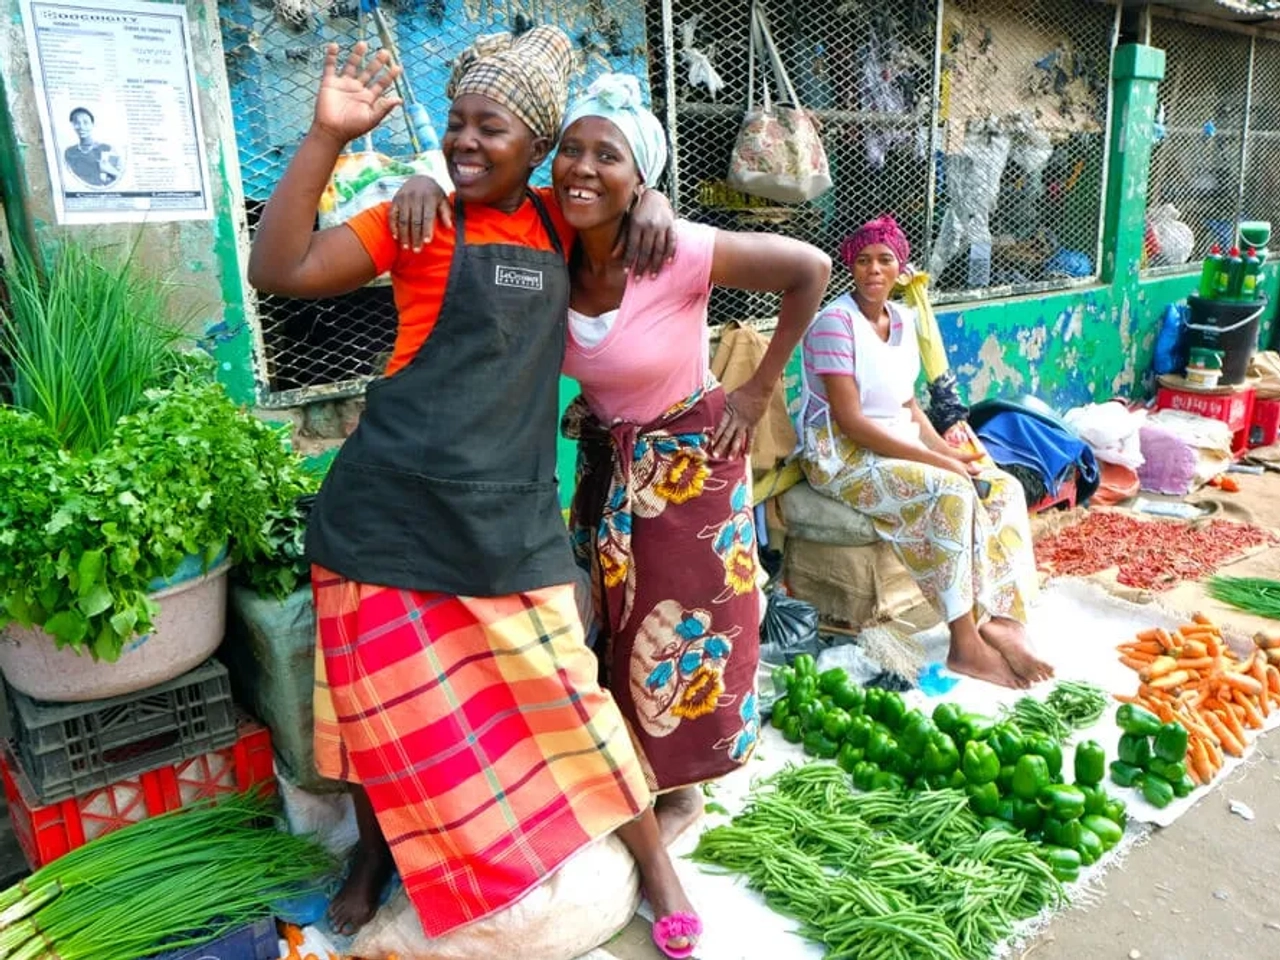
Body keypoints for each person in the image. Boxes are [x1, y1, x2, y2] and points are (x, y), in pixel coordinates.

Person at [246, 35, 701, 959]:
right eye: (455, 124)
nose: (465, 141)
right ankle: (373, 856)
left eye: (491, 128)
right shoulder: (413, 220)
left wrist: (650, 194)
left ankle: (657, 870)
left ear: (536, 148)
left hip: (506, 516)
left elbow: (617, 189)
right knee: (381, 716)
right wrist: (328, 139)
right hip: (385, 514)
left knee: (570, 695)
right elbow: (279, 269)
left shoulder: (559, 220)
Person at [392, 73, 831, 847]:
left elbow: (810, 270)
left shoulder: (677, 250)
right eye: (572, 149)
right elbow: (476, 183)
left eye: (609, 156)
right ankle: (627, 774)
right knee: (618, 630)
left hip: (690, 462)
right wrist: (424, 179)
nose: (583, 168)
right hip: (608, 464)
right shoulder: (548, 240)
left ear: (639, 178)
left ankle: (683, 789)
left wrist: (758, 391)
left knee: (690, 628)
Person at [797, 216, 1051, 689]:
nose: (874, 270)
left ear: (901, 268)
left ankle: (1004, 618)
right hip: (842, 457)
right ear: (850, 267)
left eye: (885, 260)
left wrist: (948, 450)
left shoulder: (903, 320)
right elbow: (852, 423)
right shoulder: (835, 324)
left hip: (896, 443)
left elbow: (909, 406)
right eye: (863, 261)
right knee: (951, 490)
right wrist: (940, 463)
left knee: (1003, 486)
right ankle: (964, 644)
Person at [64, 108, 121, 187]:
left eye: (86, 122)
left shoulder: (107, 149)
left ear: (92, 124)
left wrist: (109, 169)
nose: (81, 127)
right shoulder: (69, 152)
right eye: (76, 123)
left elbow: (118, 178)